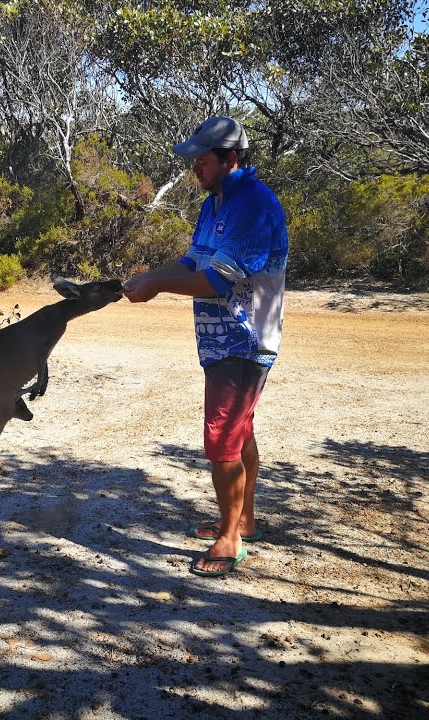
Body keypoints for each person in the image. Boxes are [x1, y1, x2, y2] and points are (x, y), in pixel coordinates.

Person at [122, 116, 288, 577]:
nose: (195, 167)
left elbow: (217, 280)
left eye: (202, 159)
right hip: (221, 342)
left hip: (245, 341)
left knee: (221, 439)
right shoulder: (216, 202)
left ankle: (230, 539)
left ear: (230, 158)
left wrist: (159, 287)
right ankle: (245, 520)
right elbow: (195, 258)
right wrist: (153, 275)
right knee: (241, 431)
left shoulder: (253, 205)